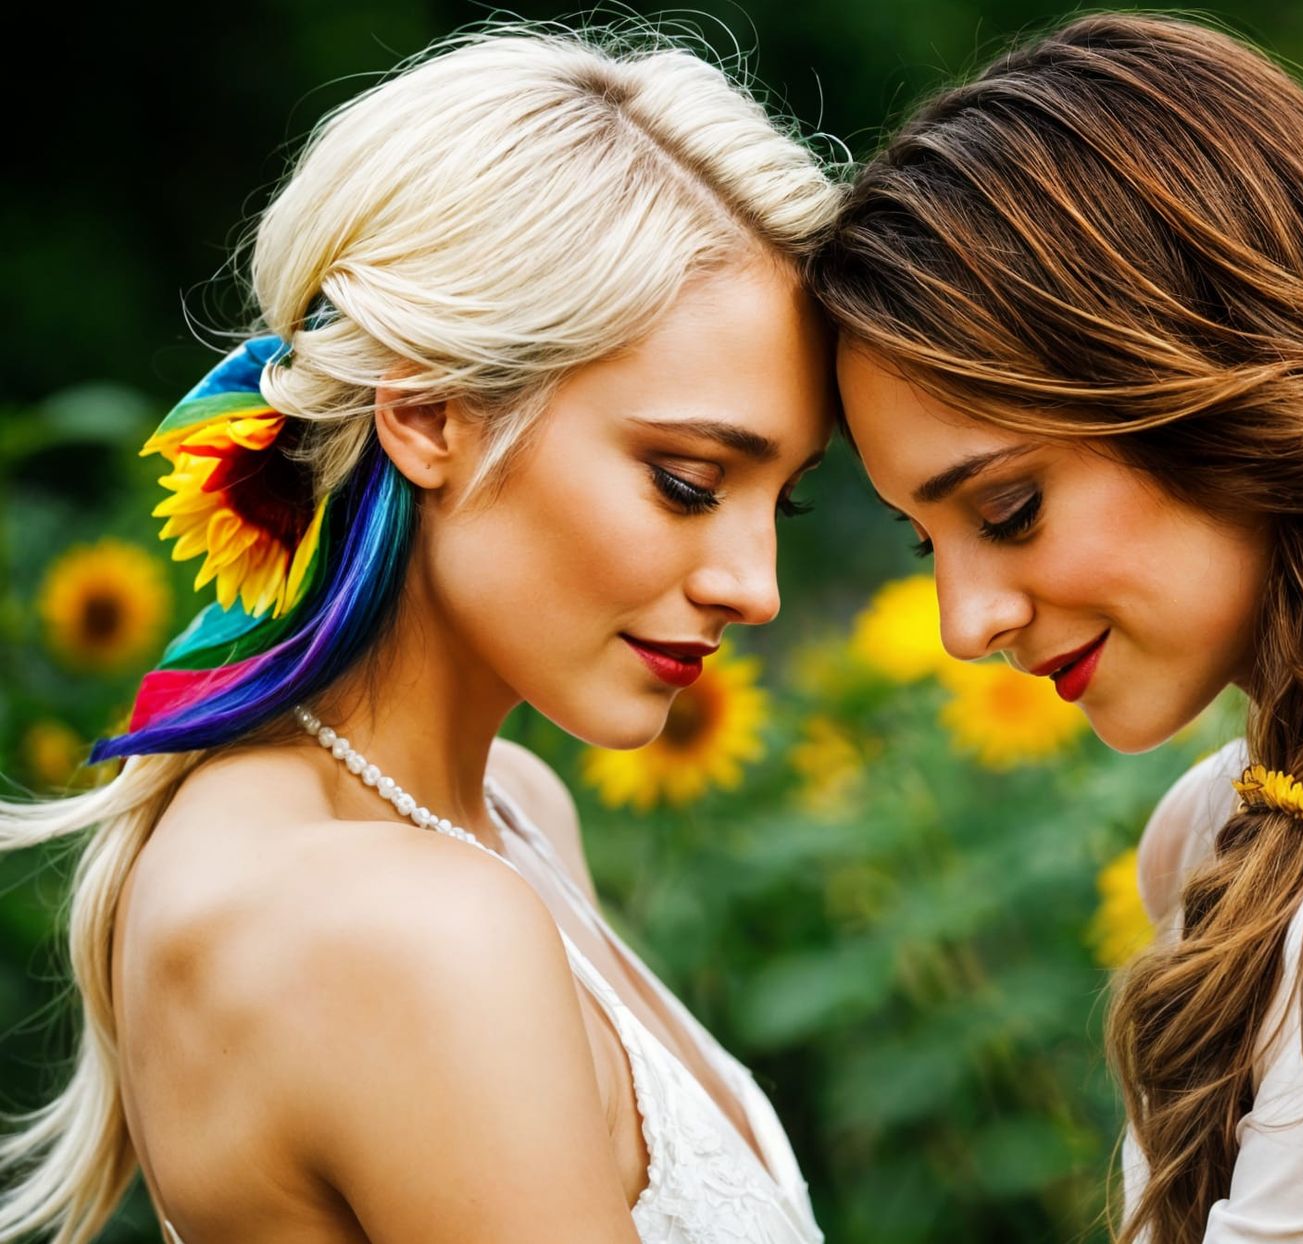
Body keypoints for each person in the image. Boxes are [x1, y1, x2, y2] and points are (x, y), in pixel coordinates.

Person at [0, 24, 838, 1244]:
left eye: (786, 496)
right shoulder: (403, 928)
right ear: (431, 413)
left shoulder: (507, 808)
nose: (755, 584)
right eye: (690, 481)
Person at [810, 13, 1303, 1244]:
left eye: (1008, 509)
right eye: (928, 539)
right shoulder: (1228, 824)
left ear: (1222, 391)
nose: (965, 623)